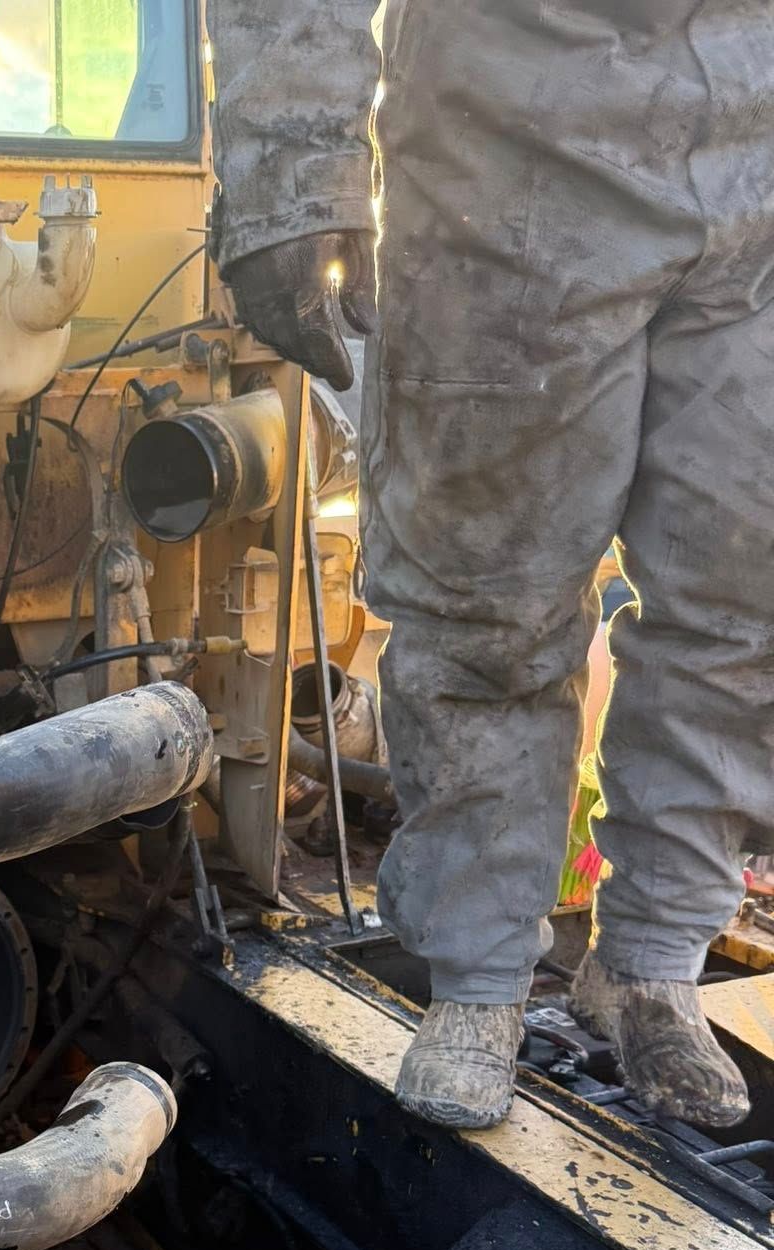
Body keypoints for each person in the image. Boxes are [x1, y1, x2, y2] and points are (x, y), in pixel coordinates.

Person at [209, 0, 764, 1131]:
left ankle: (652, 959)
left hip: (760, 160)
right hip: (509, 149)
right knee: (485, 594)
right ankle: (478, 981)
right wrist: (294, 170)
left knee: (746, 590)